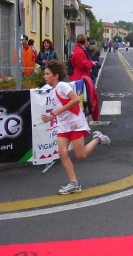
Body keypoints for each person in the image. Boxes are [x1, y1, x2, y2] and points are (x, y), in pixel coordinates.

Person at [41, 59, 110, 195]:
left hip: (75, 124)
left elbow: (76, 100)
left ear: (55, 76)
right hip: (63, 126)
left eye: (47, 74)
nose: (44, 76)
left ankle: (98, 139)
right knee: (62, 152)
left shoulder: (62, 86)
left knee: (80, 155)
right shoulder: (51, 89)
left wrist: (55, 113)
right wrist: (51, 117)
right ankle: (74, 183)